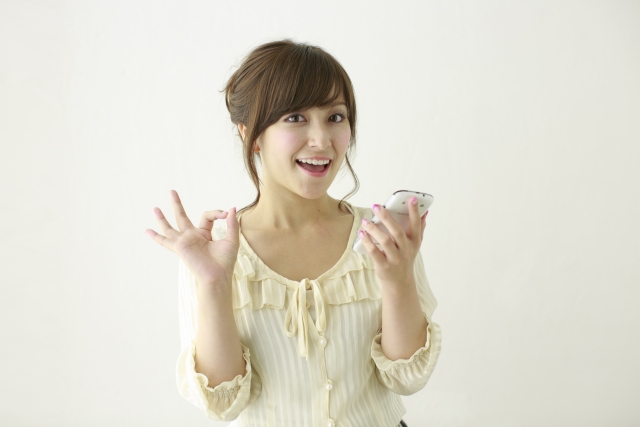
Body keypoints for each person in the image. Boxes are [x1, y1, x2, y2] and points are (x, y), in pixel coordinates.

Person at [145, 39, 441, 427]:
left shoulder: (381, 235)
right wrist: (215, 283)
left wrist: (398, 279)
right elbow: (223, 402)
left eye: (335, 117)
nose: (321, 140)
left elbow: (406, 378)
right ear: (250, 135)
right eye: (295, 117)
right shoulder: (211, 250)